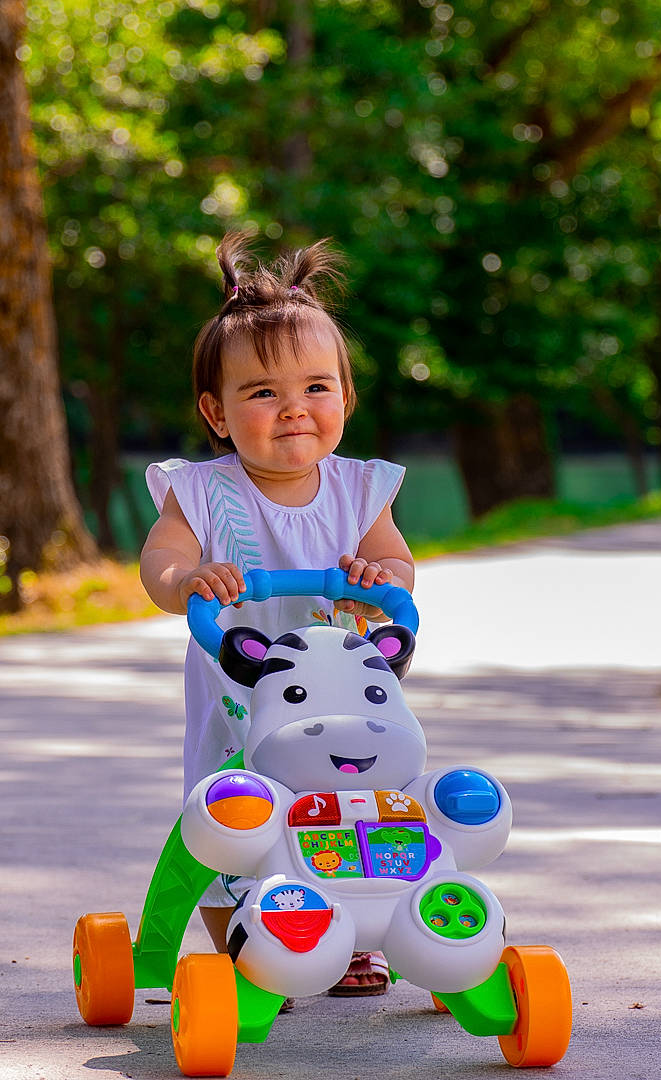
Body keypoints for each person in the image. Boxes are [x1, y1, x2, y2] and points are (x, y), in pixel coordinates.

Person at [140, 231, 414, 1000]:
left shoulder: (361, 490)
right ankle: (243, 941)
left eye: (316, 388)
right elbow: (160, 567)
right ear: (216, 412)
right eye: (262, 393)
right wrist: (188, 577)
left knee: (356, 805)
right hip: (239, 691)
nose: (293, 409)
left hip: (345, 688)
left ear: (345, 399)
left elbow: (397, 569)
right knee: (234, 815)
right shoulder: (198, 492)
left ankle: (359, 931)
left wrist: (376, 577)